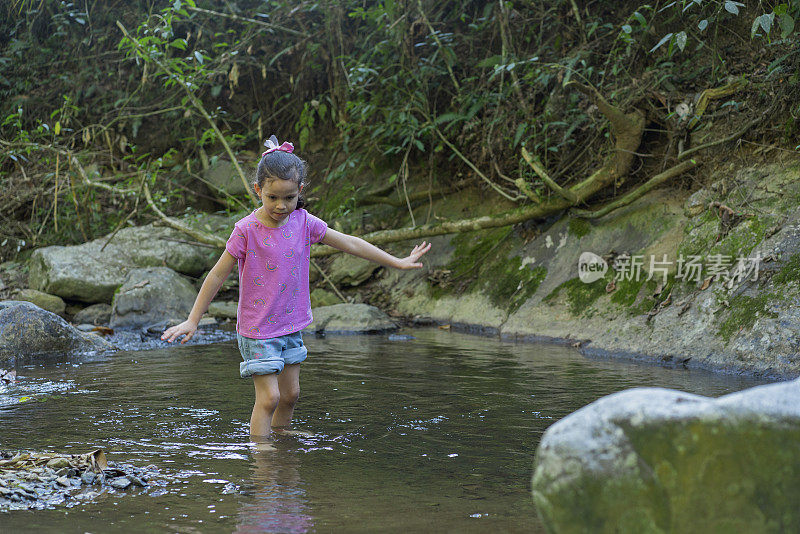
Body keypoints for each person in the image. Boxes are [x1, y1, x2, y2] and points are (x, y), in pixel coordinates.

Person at [161, 136, 432, 440]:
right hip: (258, 327)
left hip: (291, 325)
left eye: (289, 198)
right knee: (269, 398)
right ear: (258, 190)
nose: (281, 205)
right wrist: (193, 319)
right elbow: (216, 276)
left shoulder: (303, 222)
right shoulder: (246, 230)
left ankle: (281, 437)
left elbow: (350, 243)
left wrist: (396, 261)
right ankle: (262, 457)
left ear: (300, 191)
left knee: (291, 395)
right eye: (272, 198)